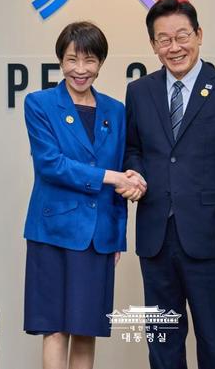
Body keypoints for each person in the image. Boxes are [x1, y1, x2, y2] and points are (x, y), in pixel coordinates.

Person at [122, 0, 215, 369]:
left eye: (182, 36)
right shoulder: (139, 92)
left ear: (198, 35)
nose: (174, 47)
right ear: (153, 44)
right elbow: (133, 148)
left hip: (211, 233)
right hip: (155, 234)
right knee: (162, 341)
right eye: (164, 39)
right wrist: (134, 172)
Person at [23, 21, 146, 369]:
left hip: (98, 235)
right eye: (72, 60)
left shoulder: (115, 111)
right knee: (54, 328)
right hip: (52, 232)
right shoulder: (39, 103)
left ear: (101, 62)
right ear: (60, 61)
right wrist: (111, 177)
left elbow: (121, 167)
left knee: (86, 328)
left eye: (90, 60)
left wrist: (117, 236)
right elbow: (51, 165)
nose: (80, 69)